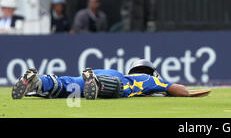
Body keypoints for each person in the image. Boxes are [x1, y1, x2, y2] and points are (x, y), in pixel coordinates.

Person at [12, 59, 190, 100]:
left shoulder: (129, 73)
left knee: (66, 84)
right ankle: (96, 83)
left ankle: (38, 82)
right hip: (113, 79)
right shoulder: (150, 80)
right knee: (120, 88)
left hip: (97, 72)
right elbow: (177, 89)